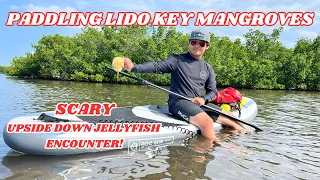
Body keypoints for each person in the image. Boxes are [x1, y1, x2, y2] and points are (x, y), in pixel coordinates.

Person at [123, 29, 246, 143]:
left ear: (207, 46)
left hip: (198, 103)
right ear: (189, 43)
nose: (197, 45)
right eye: (194, 42)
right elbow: (156, 66)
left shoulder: (208, 68)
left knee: (231, 117)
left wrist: (203, 99)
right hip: (178, 102)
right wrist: (134, 67)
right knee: (207, 123)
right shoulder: (177, 60)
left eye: (201, 43)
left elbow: (212, 92)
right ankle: (220, 148)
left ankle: (245, 135)